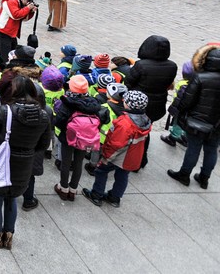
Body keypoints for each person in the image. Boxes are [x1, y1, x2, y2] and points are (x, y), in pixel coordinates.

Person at [0, 76, 50, 250]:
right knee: (12, 198)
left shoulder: (5, 111)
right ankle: (8, 235)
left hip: (2, 162)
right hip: (25, 164)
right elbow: (43, 144)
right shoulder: (43, 115)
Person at [82, 91, 151, 207]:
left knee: (100, 171)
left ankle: (96, 195)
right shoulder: (145, 119)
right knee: (122, 176)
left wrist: (105, 156)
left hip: (118, 156)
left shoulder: (125, 123)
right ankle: (114, 198)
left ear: (129, 104)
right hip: (132, 157)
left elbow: (115, 144)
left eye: (125, 101)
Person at [168, 43, 220, 189]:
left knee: (193, 149)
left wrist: (182, 113)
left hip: (196, 122)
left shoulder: (200, 77)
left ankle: (184, 175)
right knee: (211, 150)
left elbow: (187, 100)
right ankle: (204, 178)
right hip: (216, 125)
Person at [125, 35, 177, 169]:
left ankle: (134, 159)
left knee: (134, 132)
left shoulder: (141, 65)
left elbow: (128, 82)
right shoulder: (172, 66)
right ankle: (142, 157)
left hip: (139, 105)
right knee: (145, 132)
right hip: (157, 105)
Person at [53, 75, 108, 201]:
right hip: (85, 138)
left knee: (66, 163)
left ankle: (63, 188)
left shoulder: (67, 103)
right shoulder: (93, 103)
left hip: (68, 137)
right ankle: (73, 190)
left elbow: (59, 121)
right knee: (78, 163)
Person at [0, 0, 37, 67]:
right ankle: (4, 72)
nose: (28, 3)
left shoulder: (21, 3)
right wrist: (27, 8)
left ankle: (5, 69)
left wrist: (31, 12)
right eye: (27, 1)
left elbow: (23, 18)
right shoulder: (11, 2)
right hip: (3, 32)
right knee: (6, 57)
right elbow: (16, 15)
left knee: (14, 55)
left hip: (12, 33)